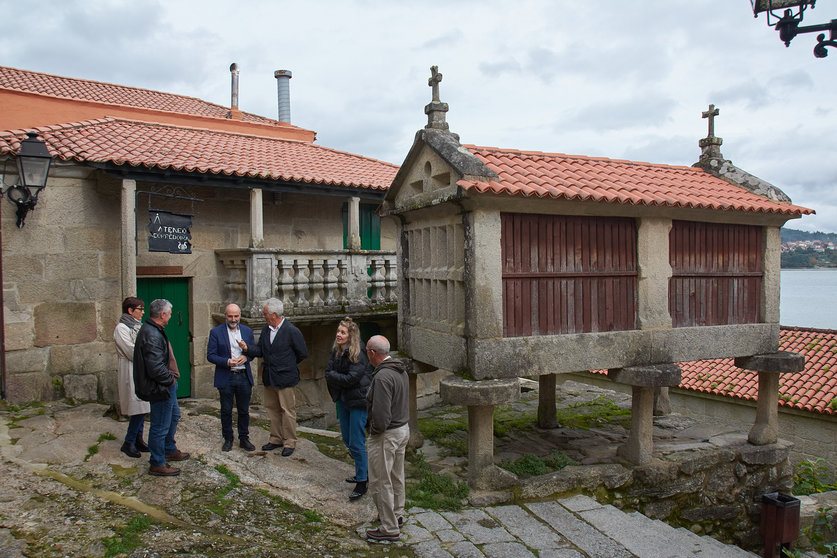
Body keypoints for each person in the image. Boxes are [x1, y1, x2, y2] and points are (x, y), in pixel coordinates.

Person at [237, 297, 308, 457]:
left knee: (287, 410)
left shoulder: (291, 331)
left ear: (274, 314)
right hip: (269, 376)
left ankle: (289, 441)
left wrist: (287, 364)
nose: (263, 316)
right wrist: (247, 348)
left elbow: (302, 353)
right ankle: (275, 438)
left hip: (285, 378)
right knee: (272, 409)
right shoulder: (266, 330)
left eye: (265, 314)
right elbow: (260, 351)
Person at [133, 298, 190, 476]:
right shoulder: (152, 334)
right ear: (163, 314)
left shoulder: (153, 329)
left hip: (163, 386)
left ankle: (169, 448)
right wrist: (170, 380)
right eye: (170, 314)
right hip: (160, 387)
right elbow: (155, 367)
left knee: (174, 416)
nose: (171, 317)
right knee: (160, 425)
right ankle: (157, 462)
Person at [364, 335, 410, 542]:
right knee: (396, 476)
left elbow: (381, 415)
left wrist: (373, 431)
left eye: (367, 351)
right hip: (402, 429)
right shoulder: (400, 370)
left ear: (372, 353)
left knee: (381, 481)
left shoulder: (382, 377)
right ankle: (397, 515)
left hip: (387, 434)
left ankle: (389, 528)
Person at [324, 317, 372, 501]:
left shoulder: (358, 354)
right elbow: (328, 373)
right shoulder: (336, 351)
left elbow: (351, 379)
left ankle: (362, 481)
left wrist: (335, 377)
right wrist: (336, 377)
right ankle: (364, 470)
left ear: (350, 335)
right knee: (346, 438)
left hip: (358, 401)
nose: (338, 334)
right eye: (338, 331)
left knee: (357, 441)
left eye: (342, 332)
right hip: (343, 400)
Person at [207, 303, 256, 452]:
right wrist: (227, 361)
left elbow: (253, 353)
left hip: (243, 376)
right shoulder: (216, 332)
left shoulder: (247, 331)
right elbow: (211, 355)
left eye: (236, 316)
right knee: (226, 410)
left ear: (240, 316)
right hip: (226, 376)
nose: (233, 319)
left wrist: (246, 357)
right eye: (230, 316)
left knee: (243, 410)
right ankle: (228, 438)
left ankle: (244, 438)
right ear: (225, 316)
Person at [113, 296, 150, 458]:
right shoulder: (121, 328)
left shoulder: (138, 326)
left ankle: (138, 439)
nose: (143, 312)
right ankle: (128, 442)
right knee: (137, 408)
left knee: (142, 407)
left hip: (141, 369)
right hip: (130, 368)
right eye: (140, 309)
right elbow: (130, 350)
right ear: (130, 310)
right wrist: (148, 352)